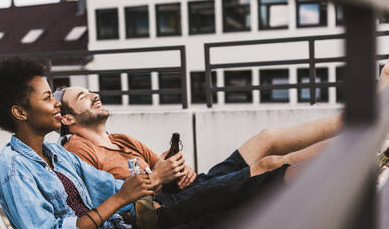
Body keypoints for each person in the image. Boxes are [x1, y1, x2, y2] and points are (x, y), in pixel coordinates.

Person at [0, 57, 305, 229]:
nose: (57, 106)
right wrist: (123, 197)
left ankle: (298, 183)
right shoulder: (13, 171)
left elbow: (108, 187)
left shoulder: (55, 153)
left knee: (210, 196)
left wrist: (151, 182)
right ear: (20, 112)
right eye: (48, 98)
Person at [56, 87, 338, 207]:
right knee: (268, 165)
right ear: (67, 118)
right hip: (166, 208)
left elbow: (162, 169)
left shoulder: (121, 140)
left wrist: (179, 170)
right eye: (83, 96)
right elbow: (107, 204)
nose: (94, 95)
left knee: (267, 138)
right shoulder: (78, 151)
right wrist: (159, 178)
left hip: (189, 189)